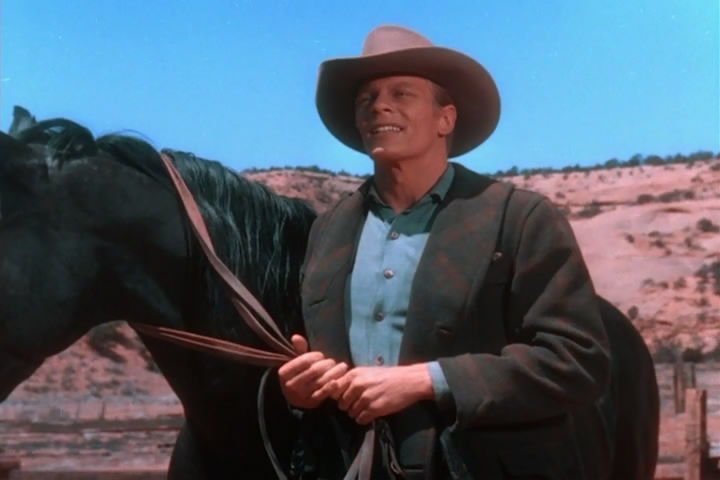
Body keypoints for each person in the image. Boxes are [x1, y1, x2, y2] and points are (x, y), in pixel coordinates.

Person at [278, 24, 611, 479]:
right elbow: (304, 355)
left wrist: (426, 380)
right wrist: (299, 390)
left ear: (445, 120)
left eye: (401, 93)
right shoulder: (328, 230)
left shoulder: (519, 218)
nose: (379, 105)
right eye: (366, 98)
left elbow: (577, 359)